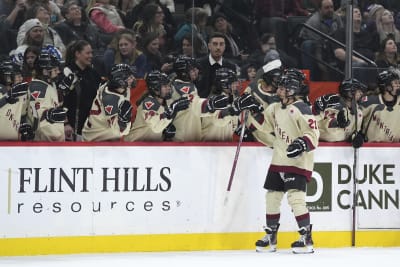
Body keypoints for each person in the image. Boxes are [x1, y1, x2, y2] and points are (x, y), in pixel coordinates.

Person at [248, 71, 319, 254]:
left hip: (297, 161)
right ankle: (271, 236)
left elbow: (313, 134)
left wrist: (302, 143)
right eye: (279, 87)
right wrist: (252, 111)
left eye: (282, 88)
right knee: (272, 196)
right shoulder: (275, 108)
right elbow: (265, 125)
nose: (278, 90)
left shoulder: (301, 108)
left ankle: (306, 238)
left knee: (295, 197)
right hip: (278, 159)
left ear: (291, 90)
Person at [167, 55, 232, 141]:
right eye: (192, 70)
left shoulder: (177, 85)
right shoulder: (183, 87)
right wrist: (211, 104)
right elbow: (195, 105)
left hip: (183, 136)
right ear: (184, 73)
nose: (197, 71)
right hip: (183, 139)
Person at [125, 70, 190, 141]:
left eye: (169, 85)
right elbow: (156, 127)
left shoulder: (166, 101)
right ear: (156, 89)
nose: (168, 88)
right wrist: (172, 110)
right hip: (134, 145)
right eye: (165, 86)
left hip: (150, 146)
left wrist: (166, 128)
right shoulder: (148, 104)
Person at [201, 67, 263, 141]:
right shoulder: (214, 101)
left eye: (236, 82)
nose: (236, 85)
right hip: (209, 146)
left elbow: (235, 120)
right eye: (233, 83)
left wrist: (255, 113)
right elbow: (221, 117)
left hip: (225, 145)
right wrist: (236, 108)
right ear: (224, 84)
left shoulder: (232, 98)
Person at [82, 63, 135, 141]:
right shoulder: (110, 100)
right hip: (95, 138)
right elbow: (118, 131)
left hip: (102, 130)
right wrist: (124, 121)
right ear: (120, 81)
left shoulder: (116, 86)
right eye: (129, 77)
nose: (133, 79)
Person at [62, 40, 102, 141]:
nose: (91, 56)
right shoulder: (67, 73)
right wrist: (65, 123)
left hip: (90, 127)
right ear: (77, 54)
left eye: (91, 53)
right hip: (70, 127)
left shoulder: (94, 74)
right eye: (87, 53)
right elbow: (60, 101)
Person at [313, 78, 366, 147]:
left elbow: (354, 132)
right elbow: (312, 120)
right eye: (358, 91)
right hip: (319, 145)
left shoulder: (358, 112)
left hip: (341, 148)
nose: (361, 93)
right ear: (349, 92)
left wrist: (355, 138)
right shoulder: (330, 102)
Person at [27, 52, 67, 141]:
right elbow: (41, 122)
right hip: (44, 145)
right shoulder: (39, 88)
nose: (58, 72)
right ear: (45, 71)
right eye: (55, 70)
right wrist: (55, 139)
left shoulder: (48, 85)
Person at [299, 0, 344, 81]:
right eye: (326, 8)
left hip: (328, 42)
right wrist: (322, 67)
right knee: (308, 45)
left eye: (331, 7)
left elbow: (342, 35)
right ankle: (308, 80)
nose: (330, 10)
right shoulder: (314, 22)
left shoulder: (336, 17)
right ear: (320, 9)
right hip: (313, 43)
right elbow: (318, 46)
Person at [359, 69, 400, 142]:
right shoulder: (370, 102)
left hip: (396, 149)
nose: (399, 85)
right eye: (396, 83)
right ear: (386, 86)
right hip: (372, 149)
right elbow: (355, 121)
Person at [0, 60, 35, 141]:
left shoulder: (23, 92)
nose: (21, 78)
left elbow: (22, 115)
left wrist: (24, 125)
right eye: (18, 76)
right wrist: (7, 98)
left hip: (14, 139)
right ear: (7, 76)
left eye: (21, 75)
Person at [196, 32, 236, 98]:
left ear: (225, 47)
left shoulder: (231, 66)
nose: (218, 47)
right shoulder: (198, 64)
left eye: (221, 44)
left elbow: (232, 92)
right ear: (209, 46)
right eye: (215, 44)